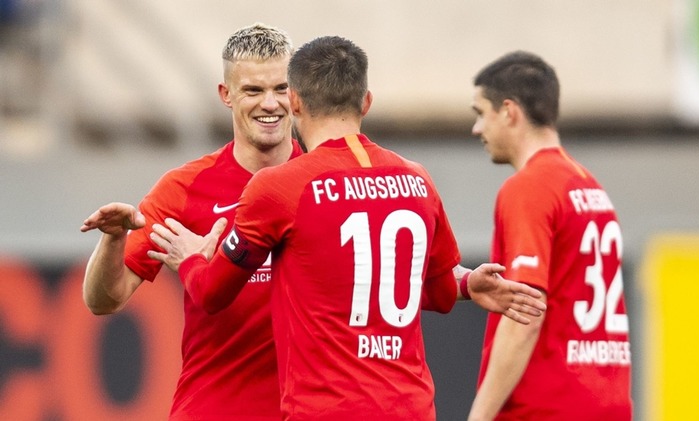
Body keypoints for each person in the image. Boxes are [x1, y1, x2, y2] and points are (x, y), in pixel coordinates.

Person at [148, 36, 546, 421]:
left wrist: (190, 259)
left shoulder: (282, 187)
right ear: (366, 102)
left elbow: (211, 293)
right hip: (411, 407)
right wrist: (467, 284)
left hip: (328, 409)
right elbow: (440, 292)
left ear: (295, 102)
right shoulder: (417, 180)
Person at [79, 23, 304, 421]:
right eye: (253, 91)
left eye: (281, 88)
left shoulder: (326, 183)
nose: (270, 103)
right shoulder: (184, 188)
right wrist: (113, 239)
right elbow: (104, 300)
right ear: (226, 95)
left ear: (298, 93)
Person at [466, 51, 633, 421]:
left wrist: (479, 416)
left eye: (481, 113)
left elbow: (526, 314)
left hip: (547, 407)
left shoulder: (530, 187)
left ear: (509, 111)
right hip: (606, 404)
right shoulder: (589, 185)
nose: (477, 129)